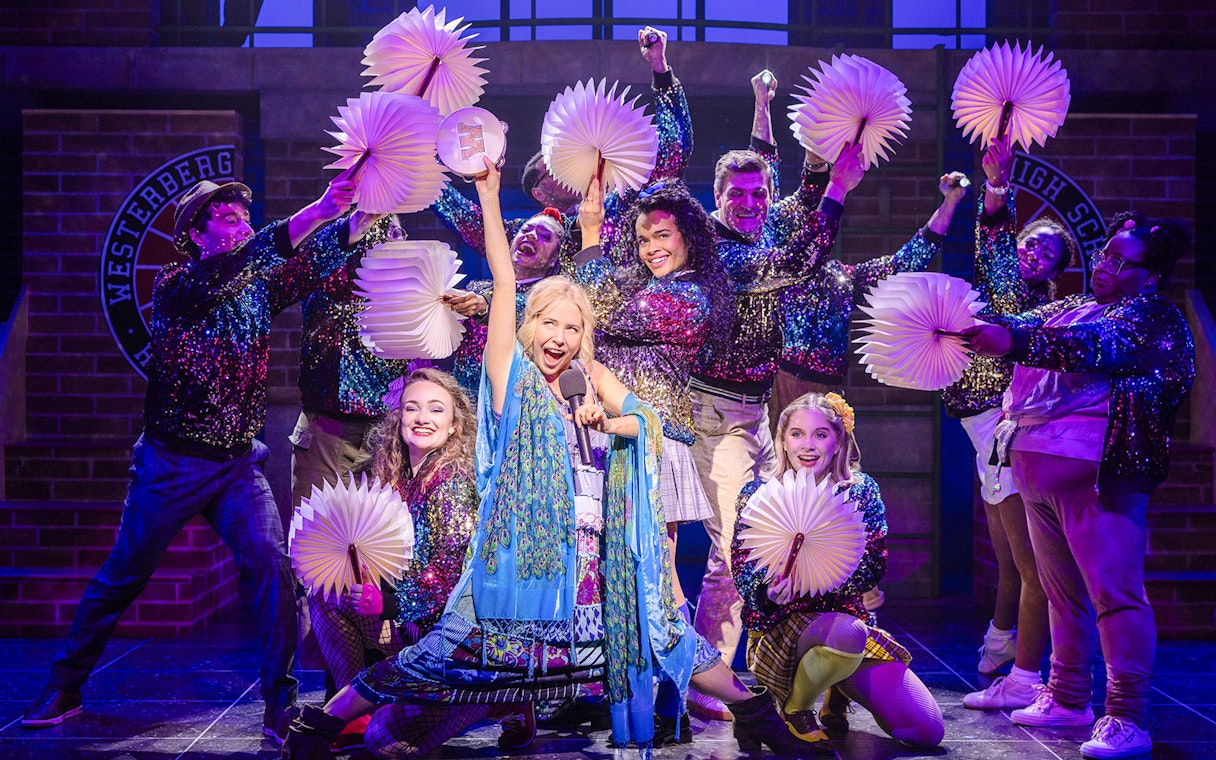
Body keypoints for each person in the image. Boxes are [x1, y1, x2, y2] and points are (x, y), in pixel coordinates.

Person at [280, 158, 823, 759]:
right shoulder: (508, 376)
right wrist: (488, 192)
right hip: (515, 564)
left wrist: (610, 418)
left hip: (589, 568)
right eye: (549, 323)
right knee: (438, 660)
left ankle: (756, 716)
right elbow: (506, 281)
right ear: (529, 326)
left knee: (660, 630)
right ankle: (322, 724)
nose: (560, 336)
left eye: (573, 326)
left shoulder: (587, 375)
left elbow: (644, 418)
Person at [22, 177, 383, 744]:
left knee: (270, 567)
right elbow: (260, 254)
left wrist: (357, 218)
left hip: (237, 464)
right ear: (195, 233)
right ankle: (65, 686)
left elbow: (307, 264)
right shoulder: (178, 284)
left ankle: (278, 704)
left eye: (244, 213)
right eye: (225, 216)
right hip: (171, 463)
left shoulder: (257, 286)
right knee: (123, 575)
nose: (239, 222)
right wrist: (318, 207)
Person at [964, 212, 1195, 759]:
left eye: (1122, 260)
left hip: (1099, 476)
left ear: (1151, 275)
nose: (1106, 265)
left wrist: (1013, 341)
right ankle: (1067, 696)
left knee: (1114, 594)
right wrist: (994, 205)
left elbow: (1089, 346)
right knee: (1062, 594)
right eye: (1105, 254)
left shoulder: (1151, 317)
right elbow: (1018, 313)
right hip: (1037, 473)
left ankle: (1127, 717)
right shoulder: (1071, 307)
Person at [688, 69, 865, 720]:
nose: (751, 200)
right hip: (709, 411)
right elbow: (796, 263)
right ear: (717, 196)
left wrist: (762, 102)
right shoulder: (713, 245)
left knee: (753, 543)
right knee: (735, 547)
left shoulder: (758, 225)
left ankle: (722, 667)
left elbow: (765, 161)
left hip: (753, 410)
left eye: (759, 192)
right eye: (737, 193)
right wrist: (839, 192)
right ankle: (704, 676)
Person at [573, 177, 732, 743]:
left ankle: (673, 699)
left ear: (689, 236)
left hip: (656, 447)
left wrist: (591, 232)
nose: (650, 248)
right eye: (641, 240)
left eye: (661, 236)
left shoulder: (689, 296)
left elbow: (596, 309)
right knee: (616, 577)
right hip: (612, 441)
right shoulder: (644, 286)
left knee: (659, 582)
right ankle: (627, 692)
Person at [732, 392, 945, 748]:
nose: (808, 445)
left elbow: (873, 567)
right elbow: (742, 573)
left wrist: (831, 567)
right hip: (781, 629)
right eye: (797, 434)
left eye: (820, 434)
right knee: (847, 632)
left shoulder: (859, 492)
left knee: (926, 731)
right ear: (782, 440)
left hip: (847, 630)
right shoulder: (758, 493)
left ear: (838, 441)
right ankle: (796, 708)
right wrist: (768, 591)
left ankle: (836, 686)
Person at [947, 137, 1079, 711]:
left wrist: (998, 186)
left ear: (1055, 270)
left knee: (1027, 561)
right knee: (1008, 556)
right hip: (983, 430)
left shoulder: (1025, 303)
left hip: (1004, 429)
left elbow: (996, 244)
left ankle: (1025, 674)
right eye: (1032, 243)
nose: (1035, 253)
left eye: (1048, 252)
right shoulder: (995, 288)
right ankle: (1002, 649)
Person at [307, 367, 482, 751]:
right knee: (326, 594)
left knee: (385, 743)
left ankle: (504, 702)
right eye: (412, 408)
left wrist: (386, 601)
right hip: (409, 625)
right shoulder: (394, 475)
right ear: (398, 417)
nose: (422, 418)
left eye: (436, 410)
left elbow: (449, 581)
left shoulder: (451, 483)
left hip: (447, 643)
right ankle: (358, 708)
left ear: (454, 425)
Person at [432, 25, 692, 269]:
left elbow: (674, 152)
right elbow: (473, 224)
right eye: (554, 165)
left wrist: (660, 70)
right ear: (541, 193)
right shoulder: (538, 235)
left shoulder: (625, 203)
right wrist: (418, 164)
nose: (570, 164)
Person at [288, 213, 400, 680]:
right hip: (329, 427)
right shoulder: (326, 271)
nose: (387, 243)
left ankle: (375, 679)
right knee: (320, 551)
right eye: (378, 235)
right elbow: (316, 262)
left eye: (393, 236)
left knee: (380, 553)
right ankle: (335, 681)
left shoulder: (400, 295)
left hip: (386, 430)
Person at [442, 207, 569, 398]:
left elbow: (523, 308)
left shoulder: (551, 301)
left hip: (513, 406)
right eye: (525, 231)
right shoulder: (477, 287)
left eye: (544, 236)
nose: (532, 236)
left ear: (554, 259)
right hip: (465, 407)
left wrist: (484, 304)